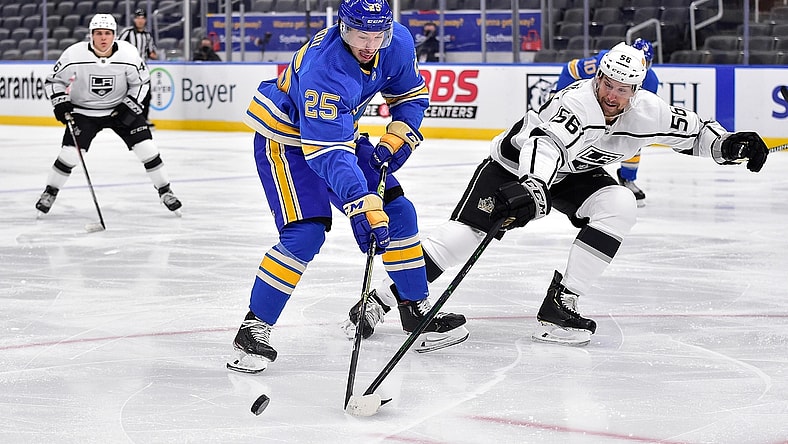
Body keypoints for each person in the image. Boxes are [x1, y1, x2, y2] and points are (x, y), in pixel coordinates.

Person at [346, 42, 768, 346]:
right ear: (597, 76)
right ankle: (379, 300)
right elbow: (543, 144)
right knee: (465, 237)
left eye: (622, 88)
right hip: (514, 168)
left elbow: (692, 133)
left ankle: (561, 304)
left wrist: (728, 145)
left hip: (576, 175)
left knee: (618, 203)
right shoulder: (576, 103)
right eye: (607, 82)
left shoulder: (649, 112)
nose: (611, 94)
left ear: (635, 91)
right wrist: (531, 184)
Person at [227, 0, 469, 374]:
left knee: (399, 213)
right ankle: (254, 327)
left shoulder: (398, 43)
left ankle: (413, 309)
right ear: (343, 28)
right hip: (287, 140)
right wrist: (360, 201)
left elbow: (410, 95)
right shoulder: (325, 68)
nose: (371, 43)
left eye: (379, 33)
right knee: (306, 234)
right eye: (361, 34)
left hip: (339, 136)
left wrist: (401, 132)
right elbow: (327, 154)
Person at [36, 14, 182, 217]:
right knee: (70, 154)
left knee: (147, 149)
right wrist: (60, 103)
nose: (103, 38)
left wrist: (129, 105)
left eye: (107, 33)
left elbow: (142, 83)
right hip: (84, 112)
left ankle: (165, 191)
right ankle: (50, 192)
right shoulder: (74, 54)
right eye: (98, 33)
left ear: (114, 35)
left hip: (119, 110)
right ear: (91, 35)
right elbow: (53, 81)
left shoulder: (129, 54)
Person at [556, 38, 657, 207]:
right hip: (589, 105)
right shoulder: (604, 61)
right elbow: (570, 70)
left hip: (616, 111)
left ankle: (627, 179)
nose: (642, 66)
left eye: (646, 62)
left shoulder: (651, 82)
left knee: (634, 137)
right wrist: (558, 97)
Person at [118, 8, 157, 126]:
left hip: (142, 69)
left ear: (145, 20)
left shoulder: (148, 35)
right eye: (138, 18)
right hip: (128, 68)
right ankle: (123, 118)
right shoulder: (127, 32)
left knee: (146, 95)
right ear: (134, 19)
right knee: (127, 93)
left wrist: (154, 54)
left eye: (142, 18)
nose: (140, 21)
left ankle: (143, 118)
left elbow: (151, 52)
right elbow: (117, 46)